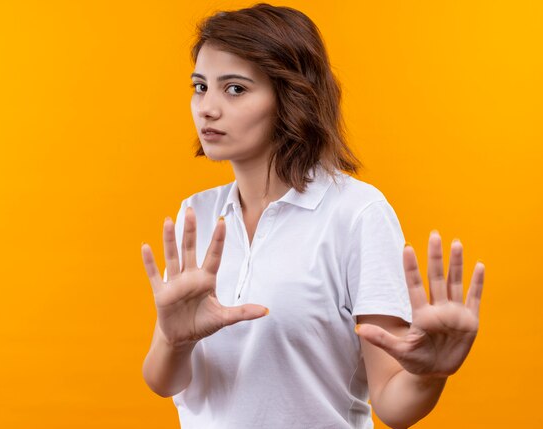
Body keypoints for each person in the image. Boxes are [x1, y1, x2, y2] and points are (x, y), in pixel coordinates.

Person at [140, 4, 485, 428]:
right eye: (200, 86)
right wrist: (175, 340)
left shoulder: (356, 214)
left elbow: (393, 406)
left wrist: (431, 374)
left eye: (234, 89)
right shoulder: (197, 215)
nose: (206, 108)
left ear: (291, 95)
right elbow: (165, 382)